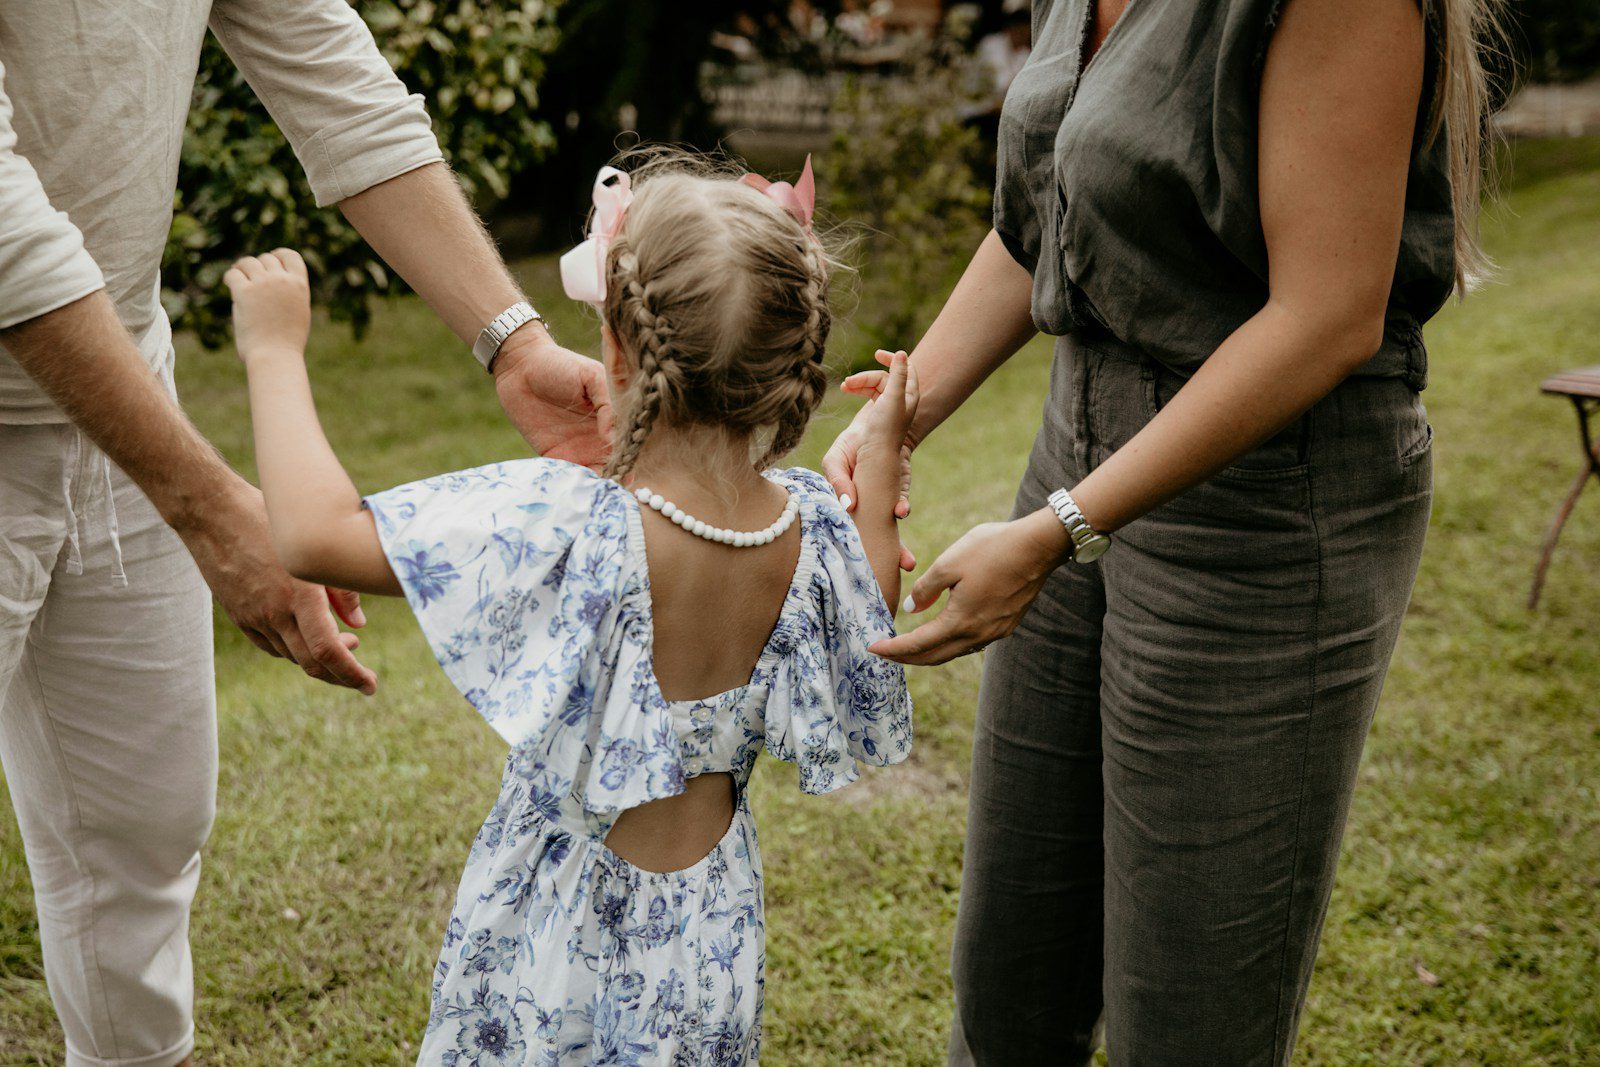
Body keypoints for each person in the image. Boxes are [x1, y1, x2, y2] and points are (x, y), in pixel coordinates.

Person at [824, 0, 1500, 1062]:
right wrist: (901, 410)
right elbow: (1050, 213)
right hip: (1078, 444)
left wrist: (1058, 527)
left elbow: (1325, 314)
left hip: (1265, 504)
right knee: (1007, 983)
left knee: (1186, 1020)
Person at [0, 4, 607, 1065]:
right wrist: (202, 502)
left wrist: (510, 341)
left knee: (141, 830)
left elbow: (338, 82)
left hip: (119, 379)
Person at [228, 152, 915, 1063]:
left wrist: (272, 351)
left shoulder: (569, 528)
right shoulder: (809, 531)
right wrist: (889, 445)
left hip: (550, 939)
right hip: (709, 939)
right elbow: (875, 605)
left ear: (620, 352)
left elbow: (315, 534)